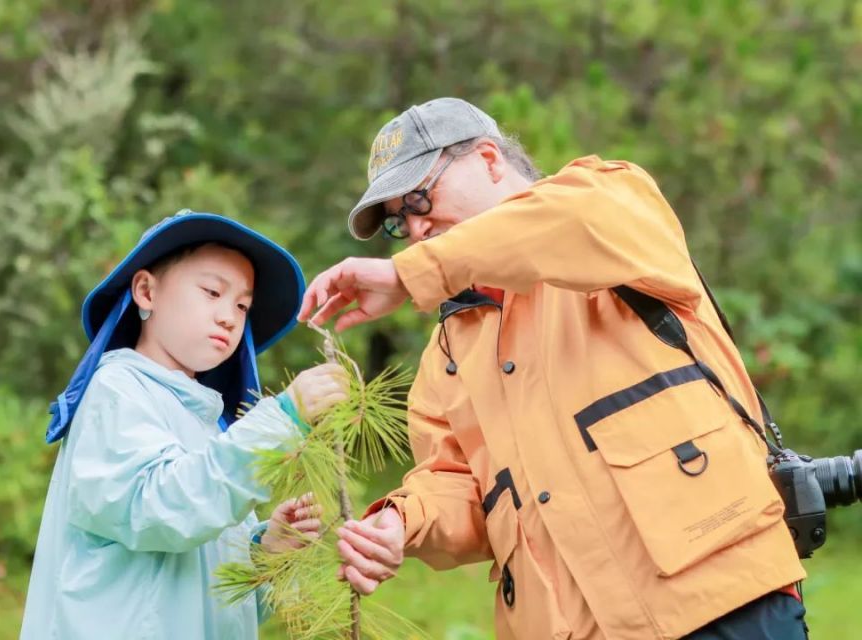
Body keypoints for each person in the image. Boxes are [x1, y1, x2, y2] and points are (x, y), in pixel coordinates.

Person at [299, 98, 809, 639]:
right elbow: (457, 488)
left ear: (490, 159)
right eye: (400, 222)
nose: (417, 227)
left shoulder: (609, 197)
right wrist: (401, 522)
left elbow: (571, 221)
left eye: (421, 198)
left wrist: (411, 275)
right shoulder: (446, 356)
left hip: (722, 604)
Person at [21, 209, 347, 639]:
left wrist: (263, 550)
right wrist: (283, 417)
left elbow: (213, 599)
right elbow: (160, 508)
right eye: (212, 291)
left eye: (242, 304)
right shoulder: (117, 392)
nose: (229, 316)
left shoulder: (211, 427)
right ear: (146, 291)